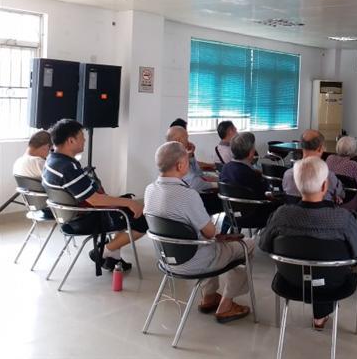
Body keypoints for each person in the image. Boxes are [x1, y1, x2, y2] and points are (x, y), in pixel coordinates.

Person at [144, 142, 255, 323]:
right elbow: (211, 233)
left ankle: (209, 296)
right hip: (194, 261)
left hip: (167, 260)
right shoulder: (187, 195)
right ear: (180, 165)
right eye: (187, 161)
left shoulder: (149, 190)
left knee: (205, 241)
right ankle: (226, 305)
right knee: (247, 244)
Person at [259, 157, 357, 330]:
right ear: (325, 186)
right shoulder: (343, 218)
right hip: (333, 283)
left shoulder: (281, 215)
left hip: (291, 280)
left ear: (297, 185)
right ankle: (321, 316)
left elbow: (264, 244)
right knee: (326, 264)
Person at [42, 119, 147, 271]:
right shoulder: (67, 168)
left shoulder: (52, 160)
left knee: (124, 203)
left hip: (70, 216)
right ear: (71, 141)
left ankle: (113, 257)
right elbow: (95, 200)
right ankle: (104, 251)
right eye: (81, 137)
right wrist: (129, 203)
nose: (84, 140)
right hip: (85, 219)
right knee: (142, 219)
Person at [166, 126, 221, 215]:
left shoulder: (176, 155)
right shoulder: (176, 160)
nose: (188, 141)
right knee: (227, 198)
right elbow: (195, 184)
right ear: (178, 140)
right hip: (191, 201)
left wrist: (191, 156)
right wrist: (216, 184)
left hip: (191, 198)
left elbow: (199, 174)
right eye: (186, 138)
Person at [282, 129, 345, 204]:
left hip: (293, 211)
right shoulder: (328, 176)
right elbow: (341, 194)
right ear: (320, 148)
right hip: (324, 211)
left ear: (302, 147)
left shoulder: (287, 175)